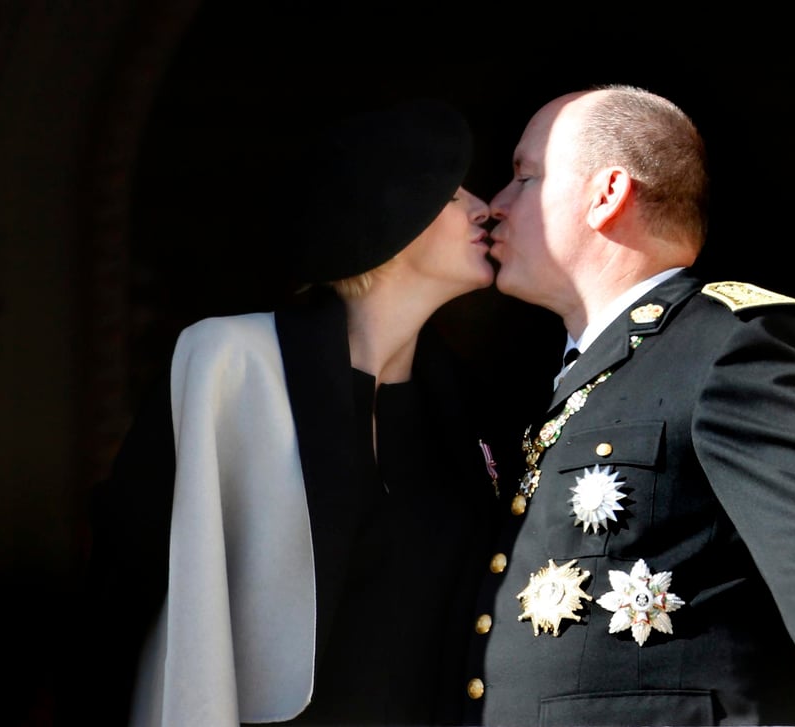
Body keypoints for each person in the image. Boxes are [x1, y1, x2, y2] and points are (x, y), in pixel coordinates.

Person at [459, 84, 795, 727]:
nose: (494, 206)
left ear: (607, 194)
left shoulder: (727, 342)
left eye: (525, 177)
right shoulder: (568, 374)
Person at [69, 98, 505, 726]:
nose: (481, 206)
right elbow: (126, 583)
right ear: (384, 212)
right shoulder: (232, 361)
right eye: (451, 190)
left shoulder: (469, 407)